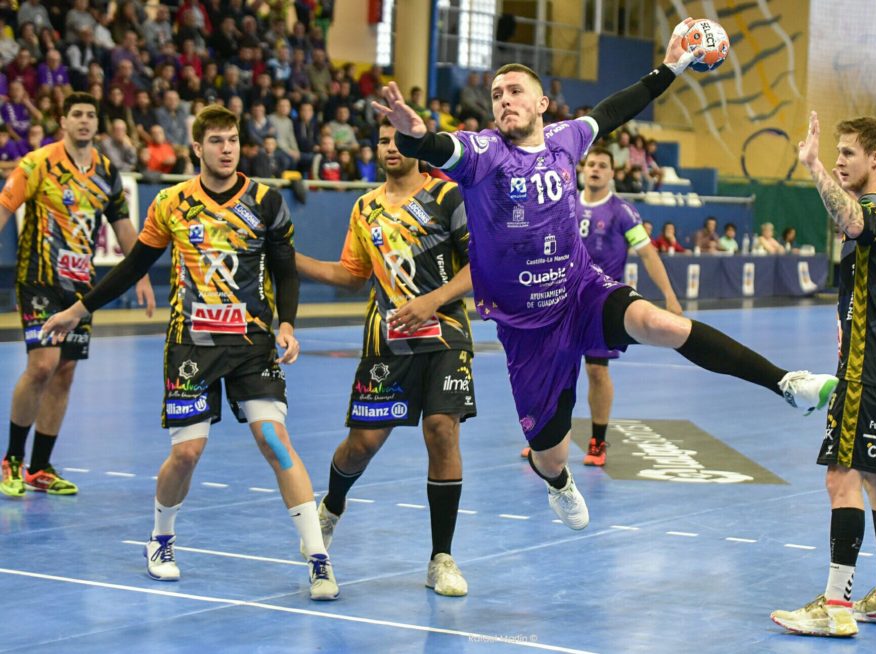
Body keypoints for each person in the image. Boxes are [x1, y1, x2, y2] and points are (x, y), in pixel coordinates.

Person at [374, 18, 837, 531]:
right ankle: (558, 483)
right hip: (528, 330)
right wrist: (415, 136)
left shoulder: (565, 139)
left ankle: (786, 383)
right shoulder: (485, 154)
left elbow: (616, 109)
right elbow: (439, 147)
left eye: (515, 91)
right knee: (549, 456)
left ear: (542, 103)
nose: (504, 100)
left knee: (662, 324)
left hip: (581, 291)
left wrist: (671, 68)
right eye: (497, 94)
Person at [39, 105, 338, 601]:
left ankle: (318, 558)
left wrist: (287, 324)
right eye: (216, 141)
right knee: (187, 453)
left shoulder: (266, 201)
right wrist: (79, 309)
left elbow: (285, 269)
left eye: (233, 140)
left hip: (251, 343)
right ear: (197, 148)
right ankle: (160, 539)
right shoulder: (171, 203)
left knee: (275, 439)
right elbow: (133, 266)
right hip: (190, 345)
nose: (227, 149)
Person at [295, 118, 475, 596]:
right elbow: (351, 275)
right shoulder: (365, 207)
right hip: (387, 342)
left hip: (445, 334)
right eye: (382, 140)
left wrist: (434, 300)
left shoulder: (447, 196)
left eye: (400, 140)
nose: (390, 147)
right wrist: (291, 258)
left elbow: (481, 266)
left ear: (421, 147)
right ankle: (332, 506)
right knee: (362, 444)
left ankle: (441, 558)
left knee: (441, 430)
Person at [771, 113, 876, 637]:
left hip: (867, 369)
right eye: (835, 153)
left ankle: (835, 605)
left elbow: (855, 221)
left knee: (840, 477)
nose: (838, 161)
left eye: (848, 153)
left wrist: (812, 166)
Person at [0, 92, 154, 498]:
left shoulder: (106, 172)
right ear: (63, 122)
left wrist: (140, 273)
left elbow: (124, 228)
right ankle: (12, 458)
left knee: (65, 372)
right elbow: (4, 207)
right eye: (77, 115)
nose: (84, 121)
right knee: (42, 365)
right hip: (38, 279)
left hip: (81, 288)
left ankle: (39, 467)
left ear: (97, 124)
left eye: (90, 115)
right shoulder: (37, 164)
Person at [519, 146, 682, 464]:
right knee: (550, 370)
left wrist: (670, 296)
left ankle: (597, 441)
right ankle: (545, 440)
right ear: (582, 169)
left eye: (602, 165)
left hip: (598, 303)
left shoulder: (623, 212)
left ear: (611, 173)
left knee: (596, 371)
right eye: (591, 163)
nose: (595, 169)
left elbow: (648, 254)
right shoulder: (564, 202)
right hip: (559, 300)